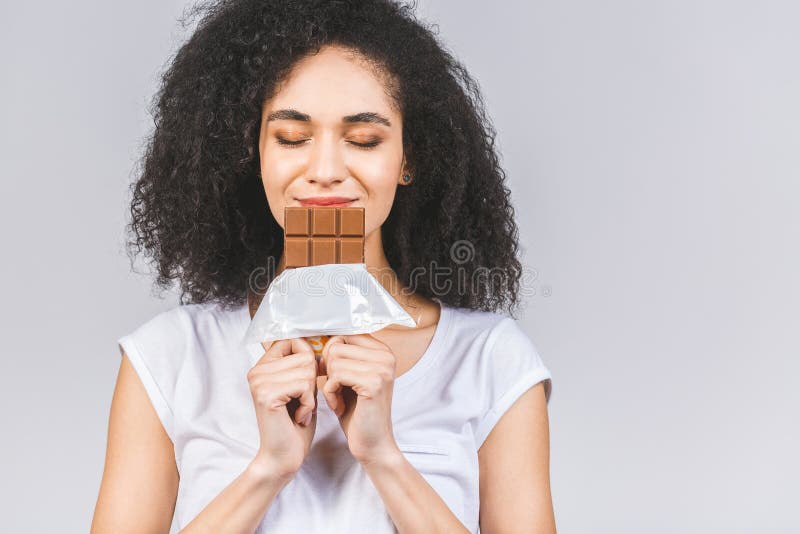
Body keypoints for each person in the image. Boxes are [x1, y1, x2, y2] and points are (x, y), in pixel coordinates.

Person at [91, 1, 555, 532]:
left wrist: (384, 457)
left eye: (364, 140)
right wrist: (268, 470)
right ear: (253, 152)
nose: (326, 171)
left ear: (409, 159)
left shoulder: (491, 361)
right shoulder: (170, 357)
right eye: (292, 138)